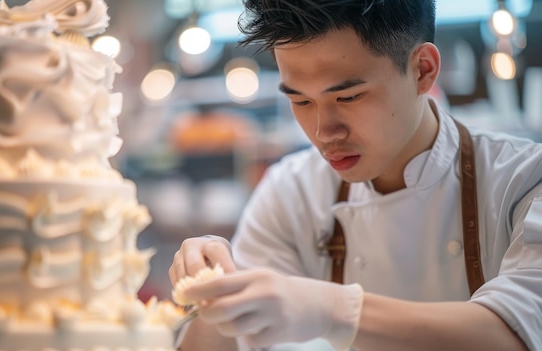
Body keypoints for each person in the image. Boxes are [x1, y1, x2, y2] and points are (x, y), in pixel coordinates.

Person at [168, 1, 542, 350]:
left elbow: (519, 332)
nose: (322, 131)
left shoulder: (522, 179)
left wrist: (333, 310)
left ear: (423, 70)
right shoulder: (291, 191)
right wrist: (211, 291)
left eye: (348, 98)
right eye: (300, 101)